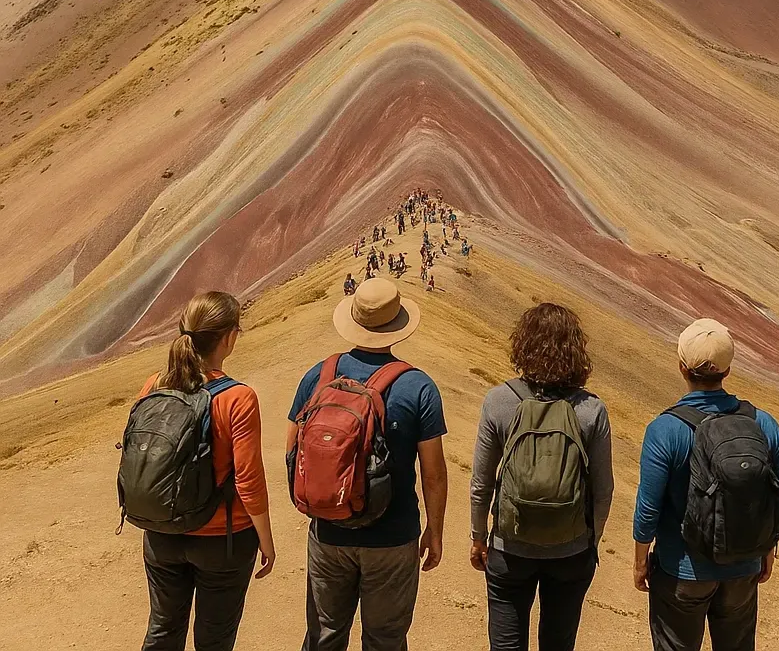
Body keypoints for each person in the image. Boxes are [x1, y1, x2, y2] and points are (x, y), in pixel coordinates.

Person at [288, 278, 449, 651]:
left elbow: (291, 449)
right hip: (393, 537)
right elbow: (433, 473)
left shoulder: (319, 375)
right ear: (397, 326)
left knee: (324, 636)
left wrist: (318, 500)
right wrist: (434, 530)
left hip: (328, 531)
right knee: (385, 640)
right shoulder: (418, 386)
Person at [633, 319, 779, 651]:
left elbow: (649, 507)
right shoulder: (762, 423)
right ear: (728, 370)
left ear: (681, 367)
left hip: (681, 570)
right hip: (743, 567)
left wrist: (640, 561)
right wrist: (767, 548)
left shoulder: (665, 430)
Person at [134, 292, 275, 651]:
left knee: (163, 630)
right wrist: (266, 541)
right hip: (223, 540)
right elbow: (248, 479)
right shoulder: (238, 398)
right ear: (229, 338)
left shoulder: (154, 385)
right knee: (215, 639)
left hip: (161, 531)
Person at [470, 303, 614, 651]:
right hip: (571, 550)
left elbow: (481, 482)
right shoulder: (591, 410)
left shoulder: (500, 401)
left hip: (509, 546)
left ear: (522, 345)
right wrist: (590, 541)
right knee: (558, 642)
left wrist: (478, 537)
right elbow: (604, 488)